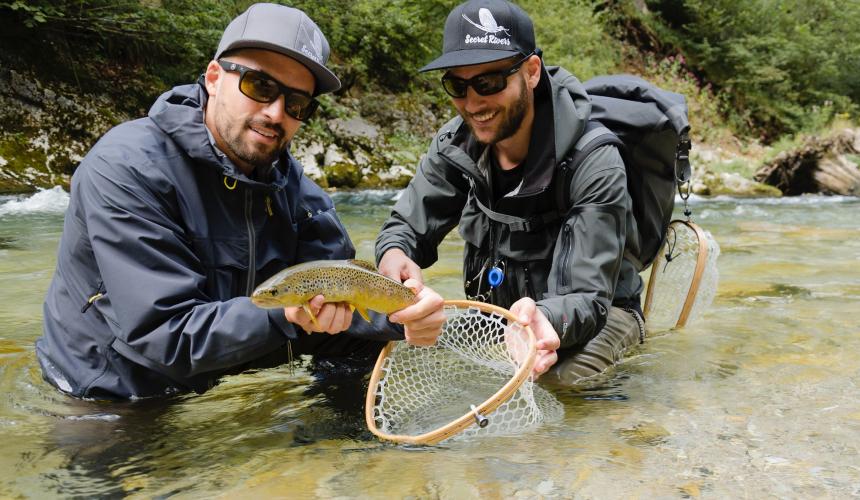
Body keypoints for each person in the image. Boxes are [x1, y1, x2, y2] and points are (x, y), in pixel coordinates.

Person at [37, 3, 444, 400]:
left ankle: (337, 460)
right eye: (260, 86)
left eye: (297, 103)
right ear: (214, 77)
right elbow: (165, 335)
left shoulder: (293, 187)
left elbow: (346, 286)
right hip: (114, 384)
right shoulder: (128, 168)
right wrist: (286, 316)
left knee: (358, 346)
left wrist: (410, 316)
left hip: (220, 361)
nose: (276, 112)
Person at [376, 0, 646, 384]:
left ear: (532, 72)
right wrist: (396, 257)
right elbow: (404, 226)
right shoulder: (455, 146)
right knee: (391, 352)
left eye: (489, 82)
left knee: (557, 381)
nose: (472, 102)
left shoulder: (594, 160)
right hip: (498, 317)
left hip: (596, 312)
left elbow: (588, 296)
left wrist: (544, 319)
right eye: (457, 84)